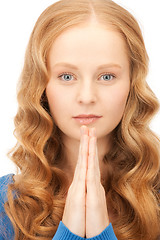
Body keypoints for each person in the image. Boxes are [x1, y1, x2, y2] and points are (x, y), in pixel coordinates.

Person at [0, 0, 160, 239]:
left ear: (132, 82)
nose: (87, 97)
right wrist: (70, 232)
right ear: (41, 86)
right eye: (67, 76)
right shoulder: (5, 203)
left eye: (107, 76)